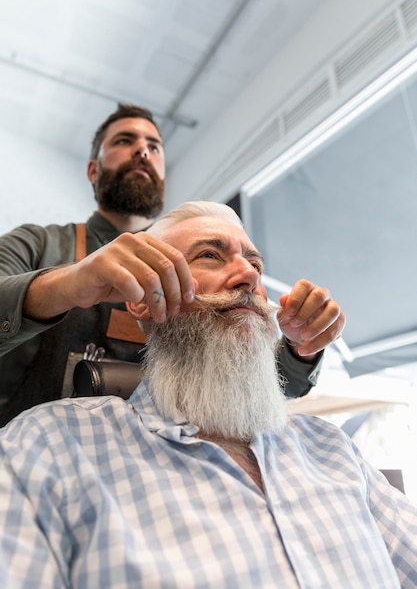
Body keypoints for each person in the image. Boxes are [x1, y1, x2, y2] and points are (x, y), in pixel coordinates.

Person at [0, 200, 414, 589]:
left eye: (254, 263)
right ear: (142, 302)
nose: (250, 275)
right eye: (210, 255)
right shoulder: (49, 446)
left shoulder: (332, 449)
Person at [0, 104, 344, 426]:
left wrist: (301, 348)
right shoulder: (39, 244)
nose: (142, 150)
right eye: (124, 140)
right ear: (93, 169)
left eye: (155, 146)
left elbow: (265, 385)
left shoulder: (202, 270)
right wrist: (73, 281)